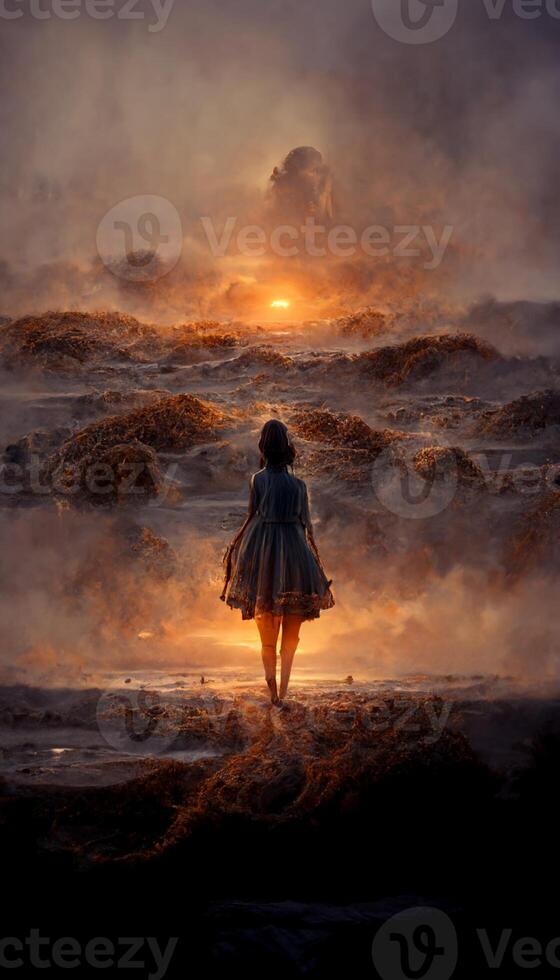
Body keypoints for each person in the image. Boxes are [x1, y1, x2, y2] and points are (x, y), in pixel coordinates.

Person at [221, 420, 334, 705]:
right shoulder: (299, 485)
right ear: (287, 449)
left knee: (267, 636)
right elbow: (308, 528)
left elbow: (250, 518)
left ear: (263, 447)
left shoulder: (257, 479)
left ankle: (273, 695)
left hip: (264, 551)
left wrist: (235, 554)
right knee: (291, 635)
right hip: (296, 554)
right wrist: (317, 568)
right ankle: (284, 691)